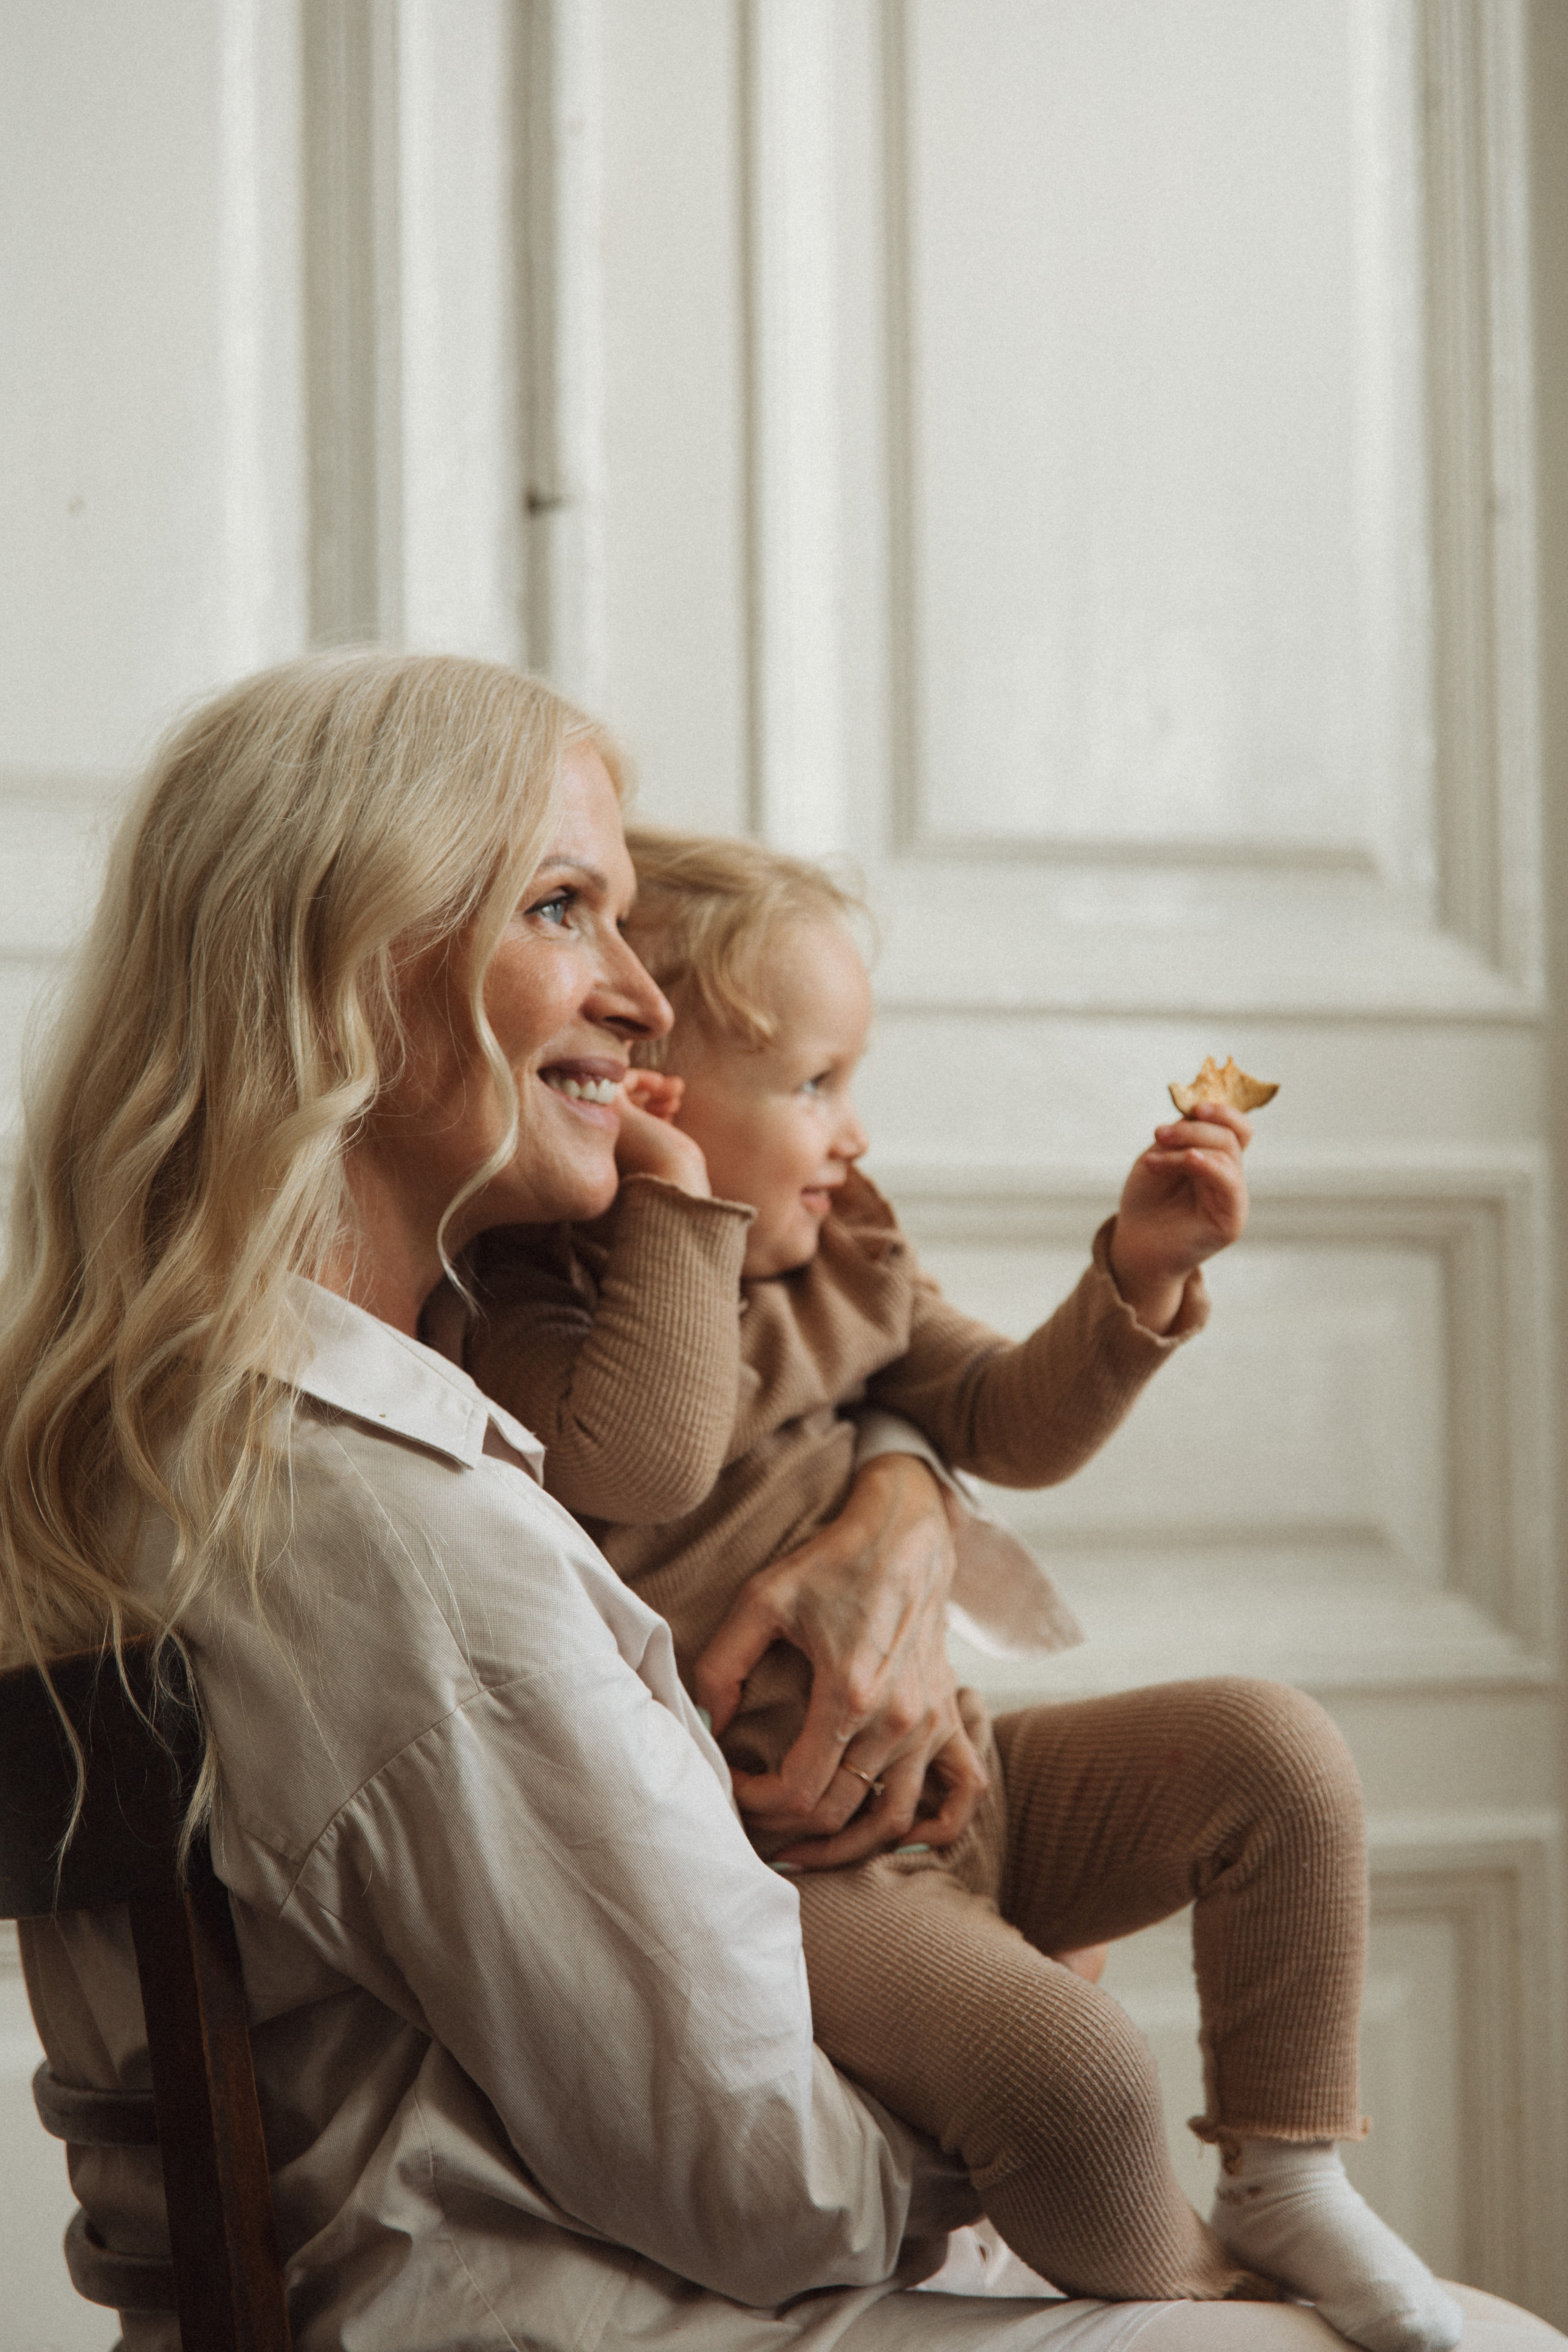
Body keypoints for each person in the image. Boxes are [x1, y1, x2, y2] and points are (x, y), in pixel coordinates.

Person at [0, 652, 1559, 2352]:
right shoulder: (398, 1529)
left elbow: (910, 1409)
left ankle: (1263, 2190)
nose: (646, 996)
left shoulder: (172, 1438)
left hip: (627, 2274)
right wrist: (1024, 2039)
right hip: (625, 2314)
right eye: (564, 907)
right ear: (356, 964)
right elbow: (759, 2183)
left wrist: (904, 1489)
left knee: (1273, 1774)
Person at [452, 828, 1441, 2348]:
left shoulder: (845, 1249)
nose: (852, 1132)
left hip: (961, 1781)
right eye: (813, 1087)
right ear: (654, 1093)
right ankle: (1199, 2295)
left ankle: (1284, 2172)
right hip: (802, 1878)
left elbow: (1003, 1421)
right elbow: (645, 1461)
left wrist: (1136, 1274)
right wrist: (677, 1213)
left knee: (1274, 1754)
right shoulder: (527, 1295)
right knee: (1076, 2073)